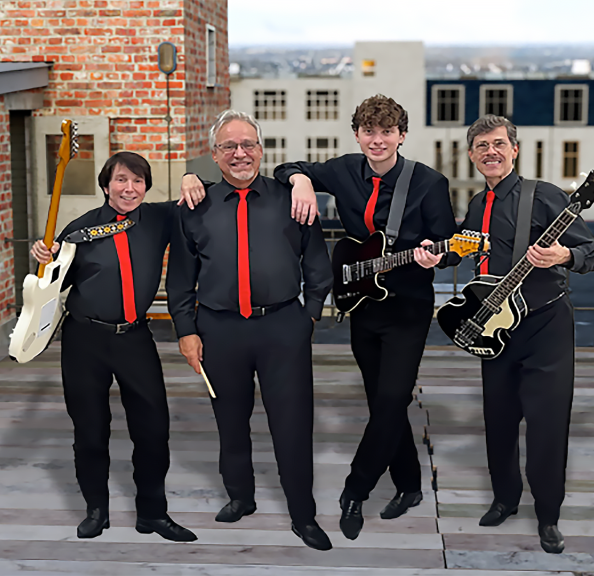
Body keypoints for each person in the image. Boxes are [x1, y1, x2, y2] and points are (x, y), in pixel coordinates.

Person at [180, 94, 455, 540]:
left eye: (387, 132)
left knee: (392, 399)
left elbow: (449, 244)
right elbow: (290, 167)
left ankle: (355, 489)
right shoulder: (344, 169)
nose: (378, 140)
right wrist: (302, 182)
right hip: (363, 304)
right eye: (369, 131)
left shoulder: (428, 183)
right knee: (382, 402)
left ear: (402, 136)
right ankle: (408, 484)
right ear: (358, 135)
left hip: (407, 306)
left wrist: (436, 257)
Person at [167, 110, 335, 551]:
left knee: (293, 423)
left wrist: (308, 316)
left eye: (247, 145)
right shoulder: (194, 207)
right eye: (229, 146)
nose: (239, 153)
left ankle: (303, 515)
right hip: (219, 329)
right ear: (215, 154)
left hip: (283, 326)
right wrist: (186, 330)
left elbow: (318, 265)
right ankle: (241, 496)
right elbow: (181, 279)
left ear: (261, 150)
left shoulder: (292, 199)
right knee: (230, 420)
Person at [440, 114, 594, 554]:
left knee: (547, 425)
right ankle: (505, 499)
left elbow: (592, 252)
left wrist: (563, 255)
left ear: (514, 149)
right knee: (498, 419)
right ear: (472, 155)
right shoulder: (478, 204)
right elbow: (470, 252)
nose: (490, 152)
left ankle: (548, 516)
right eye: (481, 146)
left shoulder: (545, 195)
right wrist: (437, 255)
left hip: (545, 325)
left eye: (498, 144)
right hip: (495, 327)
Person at [30, 151, 196, 543]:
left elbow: (197, 199)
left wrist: (191, 177)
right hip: (84, 340)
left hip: (135, 338)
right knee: (90, 431)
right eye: (121, 180)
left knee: (153, 429)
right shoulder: (79, 230)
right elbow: (49, 286)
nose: (130, 188)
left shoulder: (159, 218)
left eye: (138, 181)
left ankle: (152, 514)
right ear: (106, 186)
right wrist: (43, 259)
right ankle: (96, 511)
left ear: (146, 187)